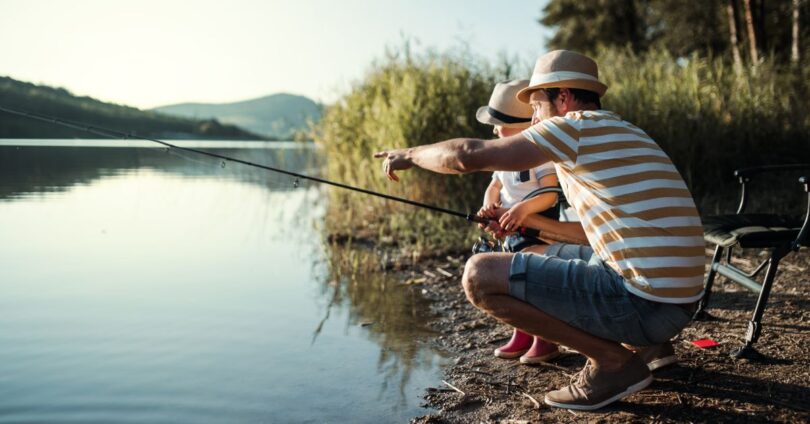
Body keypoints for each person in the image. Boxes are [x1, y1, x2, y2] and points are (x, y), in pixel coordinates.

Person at [373, 50, 703, 411]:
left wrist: (410, 153)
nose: (533, 118)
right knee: (543, 254)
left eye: (537, 105)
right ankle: (651, 347)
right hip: (680, 303)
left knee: (479, 275)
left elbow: (467, 155)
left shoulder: (572, 127)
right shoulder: (625, 132)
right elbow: (590, 237)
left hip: (646, 306)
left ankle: (613, 364)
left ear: (562, 98)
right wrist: (527, 222)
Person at [474, 79, 563, 364]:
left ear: (523, 126)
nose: (494, 129)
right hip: (509, 230)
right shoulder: (504, 158)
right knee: (510, 280)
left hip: (537, 228)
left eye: (499, 123)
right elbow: (495, 186)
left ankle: (544, 338)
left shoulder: (541, 156)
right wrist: (490, 204)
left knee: (531, 281)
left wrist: (523, 210)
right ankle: (521, 331)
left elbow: (550, 195)